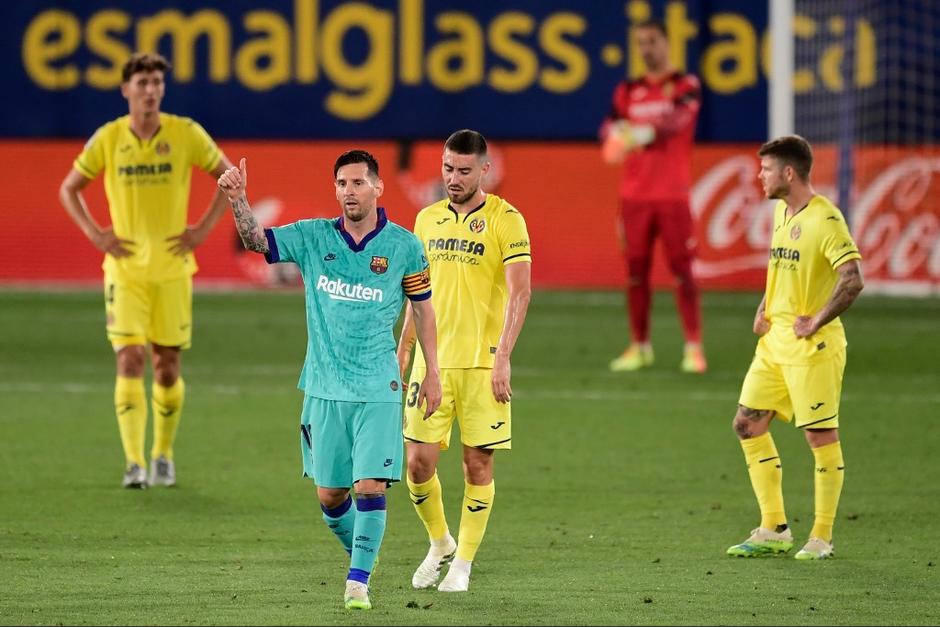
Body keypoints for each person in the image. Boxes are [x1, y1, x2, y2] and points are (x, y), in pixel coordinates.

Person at [217, 150, 442, 611]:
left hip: (378, 387)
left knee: (369, 487)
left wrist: (431, 370)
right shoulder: (313, 236)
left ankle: (357, 582)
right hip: (323, 388)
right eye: (342, 183)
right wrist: (239, 200)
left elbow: (423, 309)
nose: (349, 191)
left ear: (378, 188)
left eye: (358, 182)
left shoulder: (403, 246)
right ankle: (363, 552)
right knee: (331, 496)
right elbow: (257, 240)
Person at [59, 52, 234, 489]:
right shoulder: (109, 138)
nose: (151, 89)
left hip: (173, 268)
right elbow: (69, 188)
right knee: (129, 357)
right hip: (125, 271)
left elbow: (229, 176)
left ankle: (163, 454)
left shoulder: (185, 132)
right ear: (126, 90)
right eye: (142, 82)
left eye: (157, 81)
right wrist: (97, 234)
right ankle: (134, 462)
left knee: (167, 366)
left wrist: (202, 229)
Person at [396, 129, 532, 593]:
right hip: (431, 365)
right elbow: (417, 295)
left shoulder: (506, 219)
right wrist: (404, 349)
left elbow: (521, 292)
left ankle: (464, 564)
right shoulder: (426, 220)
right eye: (448, 169)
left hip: (481, 364)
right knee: (416, 464)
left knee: (477, 465)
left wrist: (504, 359)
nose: (453, 178)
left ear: (484, 170)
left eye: (464, 171)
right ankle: (440, 543)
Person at [726, 135, 864, 560]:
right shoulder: (784, 213)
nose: (759, 176)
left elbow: (853, 278)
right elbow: (783, 267)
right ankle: (774, 528)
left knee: (819, 435)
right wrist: (765, 306)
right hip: (774, 342)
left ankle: (821, 538)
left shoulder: (826, 220)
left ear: (788, 173)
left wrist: (816, 319)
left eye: (765, 169)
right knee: (747, 424)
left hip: (812, 346)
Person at [600, 19, 707, 373]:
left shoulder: (684, 84)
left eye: (652, 41)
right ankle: (639, 345)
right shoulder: (627, 90)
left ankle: (693, 346)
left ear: (666, 43)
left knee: (682, 270)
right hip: (634, 196)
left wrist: (635, 134)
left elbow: (677, 122)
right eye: (641, 43)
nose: (647, 49)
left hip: (672, 195)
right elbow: (609, 128)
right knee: (635, 272)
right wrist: (615, 136)